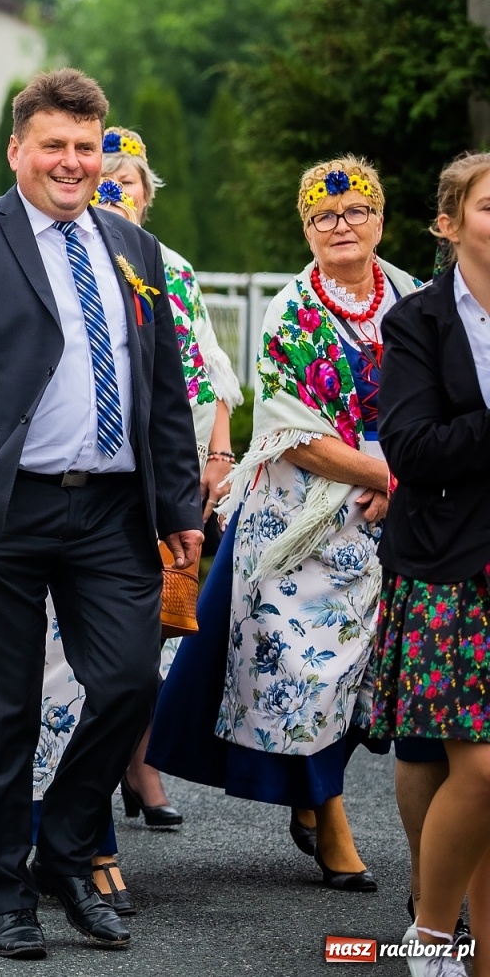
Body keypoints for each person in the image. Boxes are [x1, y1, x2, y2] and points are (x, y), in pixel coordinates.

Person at [0, 69, 203, 959]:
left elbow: (164, 387)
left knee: (133, 681)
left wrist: (177, 499)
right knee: (2, 710)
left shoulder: (131, 249)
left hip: (111, 509)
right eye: (55, 145)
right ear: (18, 149)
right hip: (7, 508)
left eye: (87, 145)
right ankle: (7, 893)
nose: (73, 162)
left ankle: (63, 851)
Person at [149, 156, 418, 894]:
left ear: (380, 219)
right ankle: (328, 817)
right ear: (306, 228)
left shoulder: (413, 300)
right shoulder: (291, 311)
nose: (342, 226)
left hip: (399, 520)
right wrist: (386, 475)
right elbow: (293, 432)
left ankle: (311, 795)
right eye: (324, 216)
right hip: (304, 523)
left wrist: (407, 481)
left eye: (356, 211)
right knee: (310, 671)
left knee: (368, 678)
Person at [25, 129, 247, 915]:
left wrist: (215, 459)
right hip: (54, 486)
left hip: (150, 485)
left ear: (147, 197)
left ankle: (112, 786)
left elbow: (209, 374)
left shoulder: (165, 269)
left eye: (129, 186)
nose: (114, 194)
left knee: (133, 657)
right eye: (104, 181)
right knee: (58, 663)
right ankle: (74, 834)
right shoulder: (46, 248)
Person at [369, 152, 490, 974]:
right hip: (450, 563)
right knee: (462, 761)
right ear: (448, 225)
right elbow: (412, 446)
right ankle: (433, 932)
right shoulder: (417, 321)